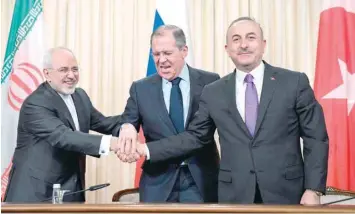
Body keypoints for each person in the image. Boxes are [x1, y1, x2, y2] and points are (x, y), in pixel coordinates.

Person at [119, 17, 329, 205]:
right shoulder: (214, 91)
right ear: (227, 48)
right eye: (236, 39)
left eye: (251, 37)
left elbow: (316, 137)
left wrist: (313, 189)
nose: (244, 44)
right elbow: (195, 137)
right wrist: (146, 150)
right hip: (234, 196)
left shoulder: (294, 82)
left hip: (286, 193)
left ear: (263, 45)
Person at [117, 25, 220, 203]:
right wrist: (126, 128)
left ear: (184, 51)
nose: (161, 60)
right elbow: (128, 119)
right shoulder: (141, 88)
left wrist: (143, 149)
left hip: (201, 179)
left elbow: (203, 133)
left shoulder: (210, 82)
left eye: (167, 53)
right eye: (156, 54)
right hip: (157, 182)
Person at [4, 47, 121, 203]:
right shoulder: (36, 103)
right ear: (47, 74)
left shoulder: (80, 96)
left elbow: (104, 123)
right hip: (35, 196)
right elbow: (64, 136)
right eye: (63, 70)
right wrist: (114, 143)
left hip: (70, 191)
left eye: (74, 69)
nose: (71, 75)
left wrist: (132, 122)